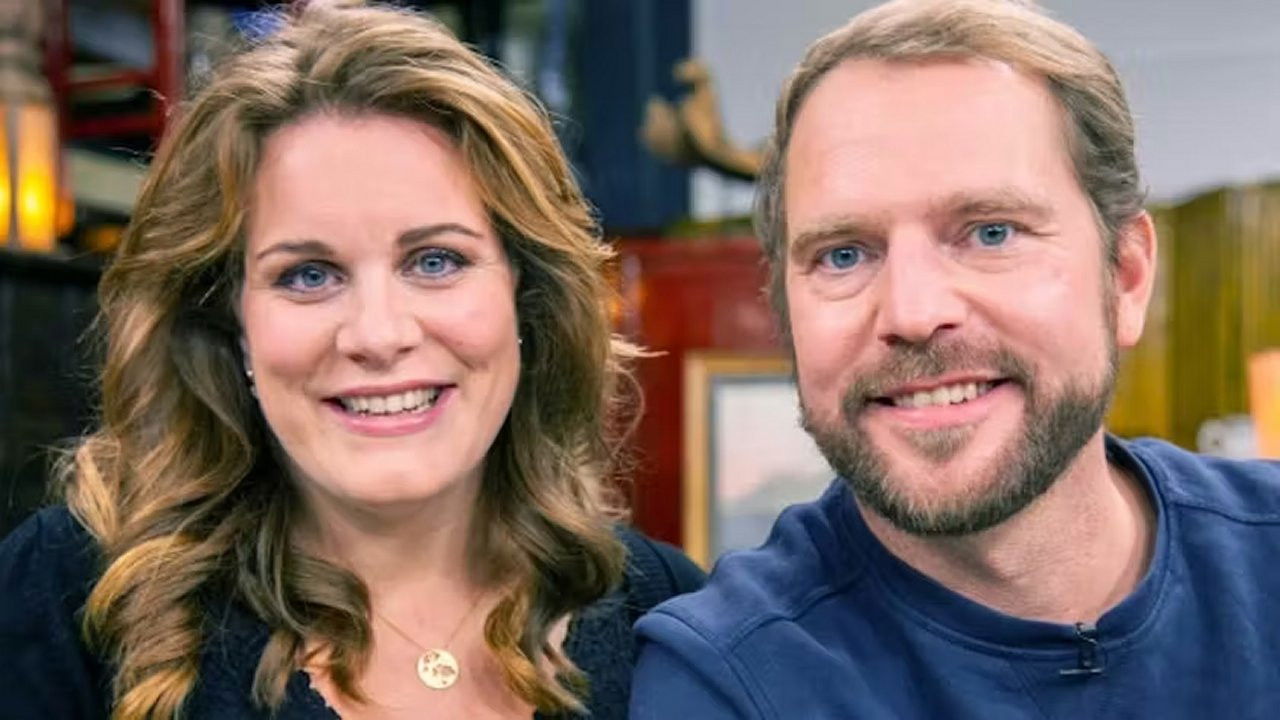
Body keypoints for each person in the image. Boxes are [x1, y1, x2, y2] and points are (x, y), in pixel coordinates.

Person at [0, 2, 703, 719]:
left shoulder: (666, 614)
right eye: (308, 275)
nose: (377, 334)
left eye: (435, 260)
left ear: (526, 296)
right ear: (229, 321)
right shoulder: (72, 596)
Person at [631, 0, 1280, 717]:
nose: (912, 313)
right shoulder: (729, 680)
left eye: (991, 232)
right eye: (844, 254)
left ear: (1125, 278)